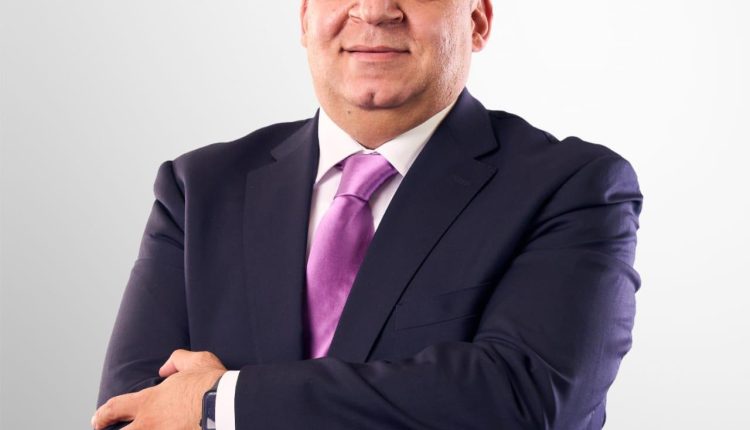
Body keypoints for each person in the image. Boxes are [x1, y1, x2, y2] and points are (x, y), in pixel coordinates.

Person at [92, 0, 643, 429]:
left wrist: (221, 402)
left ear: (477, 20)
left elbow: (524, 402)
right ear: (305, 18)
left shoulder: (571, 187)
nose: (376, 10)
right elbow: (128, 413)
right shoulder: (200, 188)